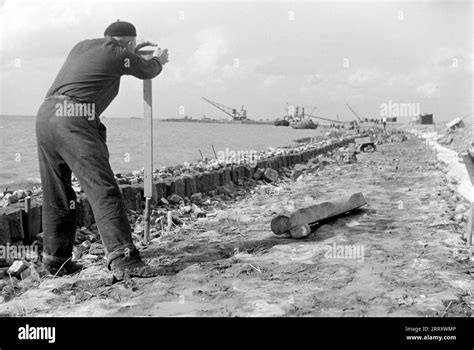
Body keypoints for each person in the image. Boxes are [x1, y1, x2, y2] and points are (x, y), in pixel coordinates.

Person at [36, 20, 169, 278]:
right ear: (129, 43)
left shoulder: (83, 46)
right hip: (73, 118)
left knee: (57, 193)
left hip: (45, 116)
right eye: (132, 44)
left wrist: (130, 50)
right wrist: (159, 60)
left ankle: (56, 261)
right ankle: (124, 259)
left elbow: (118, 57)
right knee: (102, 188)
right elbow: (147, 70)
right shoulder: (119, 53)